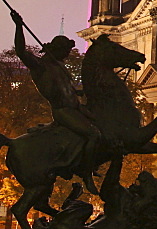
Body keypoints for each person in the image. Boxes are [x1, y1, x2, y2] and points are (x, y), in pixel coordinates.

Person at [11, 11, 102, 193]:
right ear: (57, 50)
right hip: (64, 111)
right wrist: (19, 26)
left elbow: (67, 90)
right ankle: (87, 172)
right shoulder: (40, 66)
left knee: (104, 123)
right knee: (93, 135)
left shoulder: (59, 66)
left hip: (76, 107)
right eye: (65, 52)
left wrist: (79, 92)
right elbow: (20, 51)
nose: (67, 56)